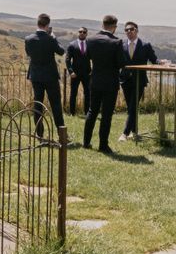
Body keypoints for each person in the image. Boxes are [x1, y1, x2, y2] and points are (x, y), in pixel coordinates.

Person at [83, 15, 125, 153]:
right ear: (114, 27)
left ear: (103, 24)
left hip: (95, 80)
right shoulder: (116, 42)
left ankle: (86, 142)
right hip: (110, 82)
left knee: (92, 111)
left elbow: (88, 57)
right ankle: (103, 145)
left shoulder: (90, 39)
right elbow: (121, 63)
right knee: (106, 114)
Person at [25, 13, 65, 139]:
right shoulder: (50, 39)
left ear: (37, 23)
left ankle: (39, 134)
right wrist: (54, 37)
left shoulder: (29, 39)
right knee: (56, 105)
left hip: (36, 76)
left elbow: (28, 53)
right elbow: (61, 51)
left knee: (38, 104)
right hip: (50, 76)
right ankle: (61, 133)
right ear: (47, 25)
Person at [119, 21, 159, 141]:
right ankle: (135, 132)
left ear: (137, 30)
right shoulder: (121, 45)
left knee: (133, 106)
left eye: (131, 29)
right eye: (126, 30)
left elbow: (154, 60)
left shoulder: (145, 45)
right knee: (131, 107)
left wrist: (161, 63)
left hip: (139, 81)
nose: (129, 32)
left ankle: (125, 134)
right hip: (125, 80)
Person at [65, 27, 91, 115]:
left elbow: (94, 57)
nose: (82, 33)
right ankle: (72, 113)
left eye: (84, 32)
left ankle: (87, 112)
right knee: (73, 94)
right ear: (78, 33)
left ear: (86, 34)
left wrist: (92, 71)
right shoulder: (72, 45)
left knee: (88, 94)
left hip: (87, 73)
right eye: (80, 31)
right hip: (75, 74)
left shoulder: (90, 44)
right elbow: (67, 59)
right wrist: (71, 71)